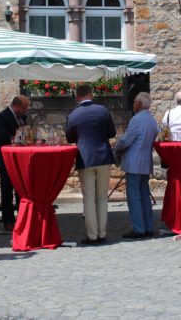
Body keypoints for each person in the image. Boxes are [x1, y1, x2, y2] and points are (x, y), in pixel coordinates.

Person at [66, 84, 117, 245]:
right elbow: (112, 133)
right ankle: (102, 233)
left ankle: (92, 236)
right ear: (91, 94)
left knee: (88, 198)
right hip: (103, 156)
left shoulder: (73, 115)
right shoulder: (103, 111)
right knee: (102, 198)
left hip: (85, 157)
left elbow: (69, 138)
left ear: (77, 97)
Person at [115, 92, 158, 238]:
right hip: (145, 161)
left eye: (134, 102)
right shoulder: (152, 120)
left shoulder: (137, 119)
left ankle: (139, 228)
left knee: (134, 196)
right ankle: (148, 226)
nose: (133, 104)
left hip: (134, 162)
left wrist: (116, 148)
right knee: (144, 195)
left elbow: (126, 141)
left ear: (139, 104)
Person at [0, 95, 29, 230]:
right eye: (24, 108)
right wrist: (19, 138)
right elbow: (2, 137)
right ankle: (8, 220)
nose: (25, 111)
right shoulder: (3, 117)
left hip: (18, 158)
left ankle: (22, 218)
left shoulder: (22, 118)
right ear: (17, 105)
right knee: (7, 190)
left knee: (20, 190)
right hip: (5, 158)